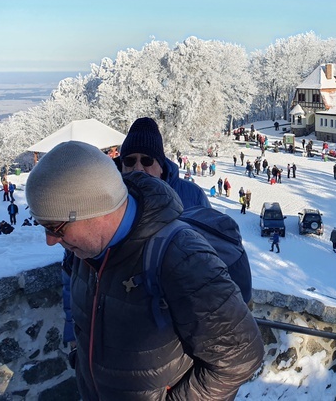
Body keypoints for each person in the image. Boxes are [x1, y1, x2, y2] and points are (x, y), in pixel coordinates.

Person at [26, 141, 264, 399]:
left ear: (96, 211)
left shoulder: (182, 258)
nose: (50, 240)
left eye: (54, 227)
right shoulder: (82, 250)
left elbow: (240, 356)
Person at [120, 117, 211, 209]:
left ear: (161, 166)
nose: (138, 168)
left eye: (147, 160)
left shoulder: (194, 196)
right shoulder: (108, 199)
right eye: (130, 161)